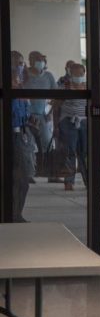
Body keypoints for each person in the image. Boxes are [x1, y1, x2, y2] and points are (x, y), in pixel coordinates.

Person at [23, 50, 57, 180]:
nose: (39, 62)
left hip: (43, 115)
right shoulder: (25, 75)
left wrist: (50, 111)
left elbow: (56, 96)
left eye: (41, 59)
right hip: (28, 116)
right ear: (30, 61)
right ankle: (30, 173)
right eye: (36, 59)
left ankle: (49, 172)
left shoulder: (48, 76)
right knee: (29, 144)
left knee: (47, 142)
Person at [58, 63, 88, 191]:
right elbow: (57, 104)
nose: (78, 76)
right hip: (68, 121)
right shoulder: (64, 86)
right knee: (70, 151)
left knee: (85, 152)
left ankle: (88, 180)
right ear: (70, 74)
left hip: (85, 122)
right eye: (76, 74)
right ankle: (69, 181)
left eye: (81, 74)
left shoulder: (88, 86)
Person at [11, 52, 33, 222]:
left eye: (21, 63)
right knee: (13, 178)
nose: (20, 67)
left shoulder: (22, 89)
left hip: (21, 135)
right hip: (9, 136)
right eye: (17, 63)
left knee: (23, 179)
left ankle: (16, 213)